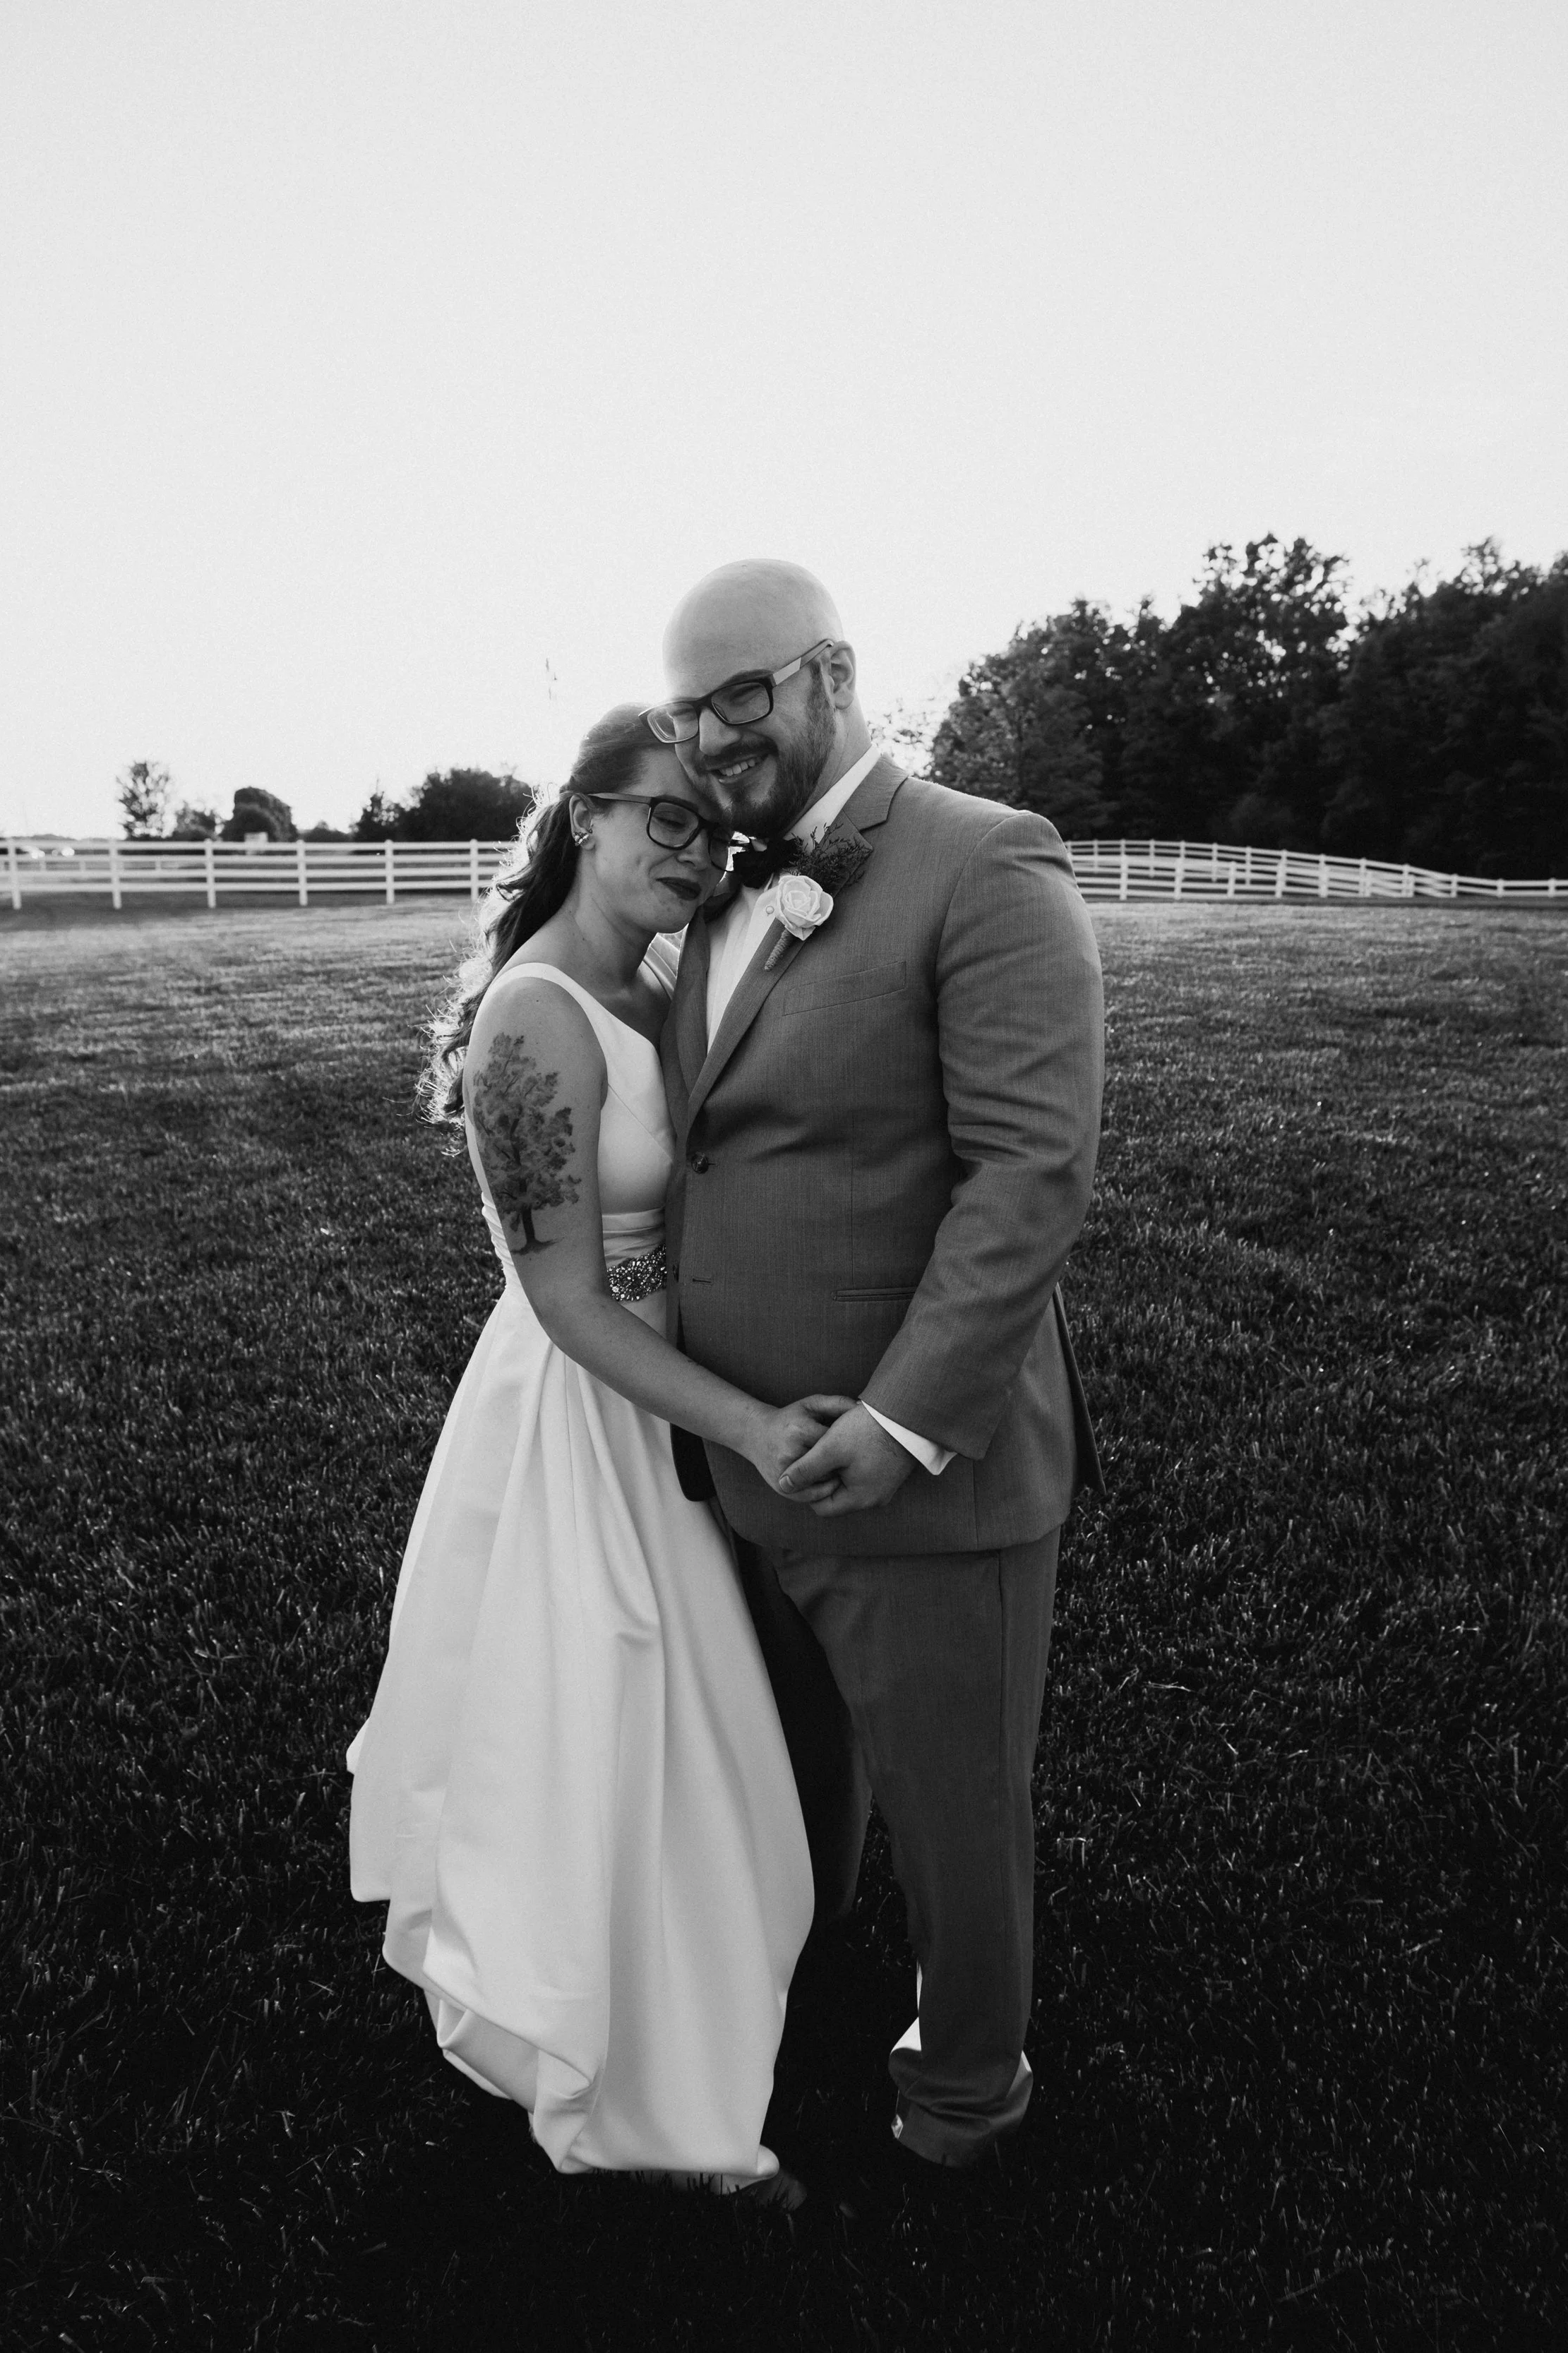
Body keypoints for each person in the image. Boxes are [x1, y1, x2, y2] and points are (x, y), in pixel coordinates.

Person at [347, 705, 838, 2201]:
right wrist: (748, 1420)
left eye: (714, 829)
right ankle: (652, 2110)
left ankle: (713, 2007)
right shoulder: (535, 1015)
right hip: (596, 1409)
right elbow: (560, 1298)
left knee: (718, 1745)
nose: (693, 852)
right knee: (622, 1739)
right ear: (585, 815)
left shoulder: (666, 979)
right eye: (664, 819)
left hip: (687, 1378)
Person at [653, 561, 1105, 2179]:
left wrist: (907, 1419)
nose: (711, 736)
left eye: (742, 695)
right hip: (743, 1462)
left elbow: (1026, 1178)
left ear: (833, 672)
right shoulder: (716, 884)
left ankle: (968, 2089)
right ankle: (799, 1989)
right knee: (796, 1777)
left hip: (920, 1472)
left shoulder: (987, 864)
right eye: (686, 711)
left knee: (955, 1814)